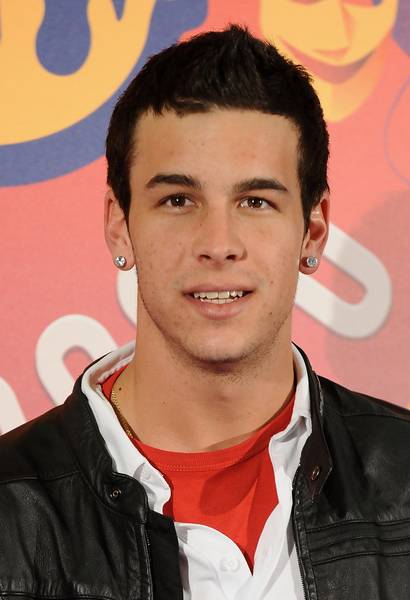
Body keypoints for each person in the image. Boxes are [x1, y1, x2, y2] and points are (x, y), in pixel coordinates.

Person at [0, 25, 409, 600]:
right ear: (119, 224)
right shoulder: (11, 510)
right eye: (178, 200)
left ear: (313, 230)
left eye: (255, 201)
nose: (218, 243)